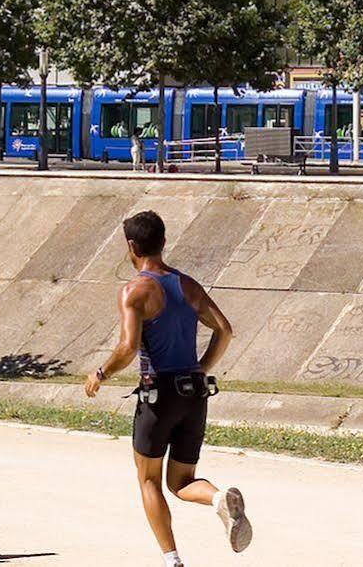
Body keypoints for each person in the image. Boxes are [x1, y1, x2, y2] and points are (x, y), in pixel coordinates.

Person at [85, 209, 252, 564]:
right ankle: (218, 498)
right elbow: (225, 330)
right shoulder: (187, 285)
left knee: (149, 481)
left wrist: (100, 374)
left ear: (132, 246)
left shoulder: (135, 291)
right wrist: (199, 369)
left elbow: (128, 348)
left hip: (158, 396)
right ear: (163, 241)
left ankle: (172, 560)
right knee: (181, 482)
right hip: (194, 393)